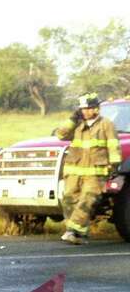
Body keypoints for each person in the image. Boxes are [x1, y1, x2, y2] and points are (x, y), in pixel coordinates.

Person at [56, 93, 121, 244]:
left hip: (96, 173)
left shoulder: (106, 124)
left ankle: (71, 230)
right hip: (73, 172)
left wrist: (114, 166)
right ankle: (80, 234)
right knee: (69, 201)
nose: (84, 111)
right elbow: (60, 134)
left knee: (87, 201)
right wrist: (72, 119)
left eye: (88, 108)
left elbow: (113, 146)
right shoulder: (77, 124)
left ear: (96, 109)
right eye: (82, 109)